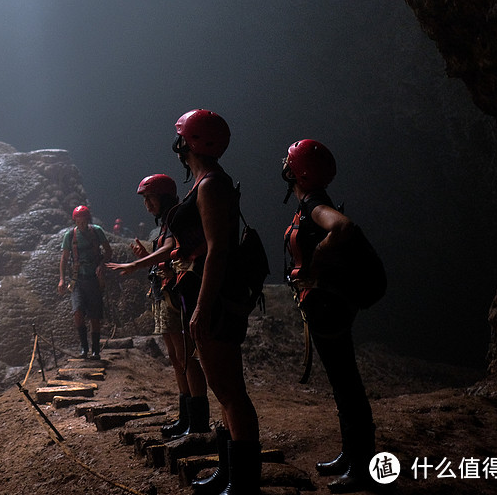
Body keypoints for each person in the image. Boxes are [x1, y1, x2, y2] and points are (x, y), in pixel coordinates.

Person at [111, 109, 261, 494]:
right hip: (206, 295)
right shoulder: (204, 183)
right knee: (223, 389)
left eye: (180, 138)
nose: (176, 145)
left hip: (214, 298)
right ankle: (230, 473)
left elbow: (217, 251)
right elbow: (190, 245)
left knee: (230, 391)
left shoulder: (210, 185)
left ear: (188, 143)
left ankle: (243, 482)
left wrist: (202, 307)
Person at [282, 139, 376, 493]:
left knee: (347, 384)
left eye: (290, 162)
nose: (284, 166)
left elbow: (343, 227)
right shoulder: (310, 203)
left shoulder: (315, 205)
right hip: (328, 304)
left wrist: (317, 258)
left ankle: (362, 467)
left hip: (329, 306)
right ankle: (350, 455)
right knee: (342, 383)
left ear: (299, 172)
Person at [111, 173, 211, 440]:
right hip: (165, 293)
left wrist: (136, 264)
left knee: (186, 357)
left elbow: (170, 249)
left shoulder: (175, 217)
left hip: (176, 294)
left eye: (150, 197)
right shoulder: (168, 220)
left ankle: (197, 422)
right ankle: (186, 417)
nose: (147, 204)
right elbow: (168, 252)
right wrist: (147, 258)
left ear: (164, 196)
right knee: (177, 358)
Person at [58, 205, 113, 359]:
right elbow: (64, 258)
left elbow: (108, 251)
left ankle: (95, 350)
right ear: (74, 220)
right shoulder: (70, 235)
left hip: (94, 279)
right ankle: (84, 348)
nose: (81, 224)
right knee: (77, 312)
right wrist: (62, 279)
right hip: (77, 280)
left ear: (87, 219)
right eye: (78, 221)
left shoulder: (96, 231)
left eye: (83, 221)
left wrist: (102, 265)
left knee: (95, 316)